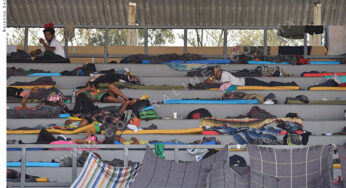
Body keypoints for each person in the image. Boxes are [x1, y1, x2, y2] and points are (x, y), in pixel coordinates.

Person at [204, 65, 298, 89]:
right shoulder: (219, 77)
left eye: (217, 71)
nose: (216, 73)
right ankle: (289, 84)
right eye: (215, 72)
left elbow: (224, 85)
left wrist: (212, 79)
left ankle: (289, 84)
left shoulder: (224, 74)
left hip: (248, 82)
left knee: (269, 85)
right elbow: (207, 80)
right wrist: (212, 78)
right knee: (269, 85)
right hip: (247, 82)